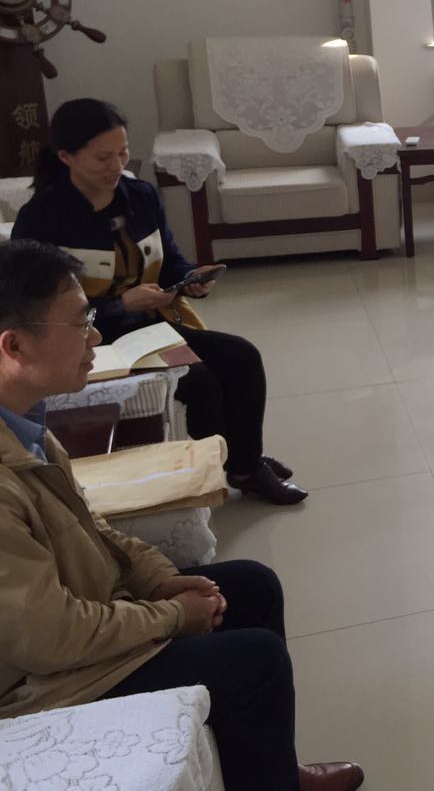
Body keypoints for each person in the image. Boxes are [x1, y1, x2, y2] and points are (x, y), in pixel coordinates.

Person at [0, 239, 362, 789]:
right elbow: (49, 639)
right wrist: (171, 616)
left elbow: (91, 527)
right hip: (42, 683)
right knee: (256, 660)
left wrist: (159, 579)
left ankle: (271, 768)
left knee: (253, 586)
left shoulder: (27, 426)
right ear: (15, 345)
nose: (95, 337)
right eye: (80, 324)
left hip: (84, 616)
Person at [13, 98, 305, 504]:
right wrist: (119, 306)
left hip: (149, 327)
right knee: (198, 378)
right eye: (103, 158)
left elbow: (168, 258)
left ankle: (245, 464)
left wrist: (188, 279)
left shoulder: (140, 196)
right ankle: (218, 471)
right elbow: (33, 312)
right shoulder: (42, 219)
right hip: (93, 339)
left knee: (241, 356)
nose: (117, 166)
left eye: (122, 153)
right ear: (66, 157)